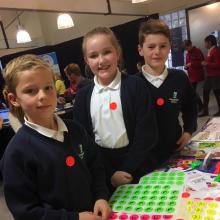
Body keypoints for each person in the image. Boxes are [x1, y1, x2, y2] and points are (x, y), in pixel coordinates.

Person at [1, 54, 111, 220]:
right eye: (30, 91)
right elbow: (25, 212)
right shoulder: (16, 154)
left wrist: (101, 196)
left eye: (48, 87)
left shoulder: (76, 130)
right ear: (14, 99)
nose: (42, 96)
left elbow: (95, 166)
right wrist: (75, 218)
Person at [73, 27, 158, 193]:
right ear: (86, 60)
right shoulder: (83, 96)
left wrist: (127, 168)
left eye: (106, 52)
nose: (101, 60)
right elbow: (83, 140)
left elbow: (147, 132)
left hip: (139, 164)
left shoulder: (135, 85)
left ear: (117, 52)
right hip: (103, 170)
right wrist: (110, 173)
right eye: (93, 56)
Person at [137, 19, 197, 166]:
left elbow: (191, 108)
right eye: (151, 47)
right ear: (140, 49)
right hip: (144, 157)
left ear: (169, 47)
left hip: (175, 151)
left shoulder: (180, 77)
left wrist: (188, 130)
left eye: (162, 46)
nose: (157, 52)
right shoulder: (133, 84)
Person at [199, 35, 220, 116]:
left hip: (215, 76)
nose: (205, 44)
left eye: (205, 42)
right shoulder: (211, 50)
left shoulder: (216, 50)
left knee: (217, 93)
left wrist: (207, 63)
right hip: (210, 76)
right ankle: (205, 111)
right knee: (205, 92)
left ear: (209, 42)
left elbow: (218, 64)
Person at [182, 39, 205, 112]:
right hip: (191, 75)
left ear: (190, 44)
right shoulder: (187, 53)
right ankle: (199, 106)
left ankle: (201, 107)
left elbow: (202, 62)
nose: (187, 49)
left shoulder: (197, 51)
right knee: (193, 92)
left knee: (193, 92)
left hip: (197, 75)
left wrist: (192, 64)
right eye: (185, 48)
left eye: (187, 47)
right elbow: (187, 63)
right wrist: (186, 67)